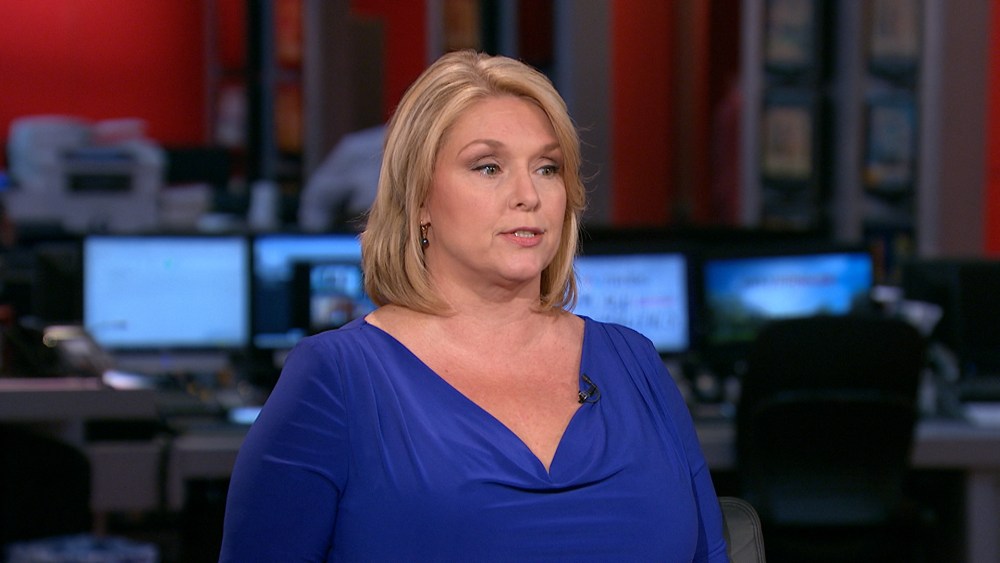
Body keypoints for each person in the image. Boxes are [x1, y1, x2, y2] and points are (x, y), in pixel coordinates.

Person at [220, 50, 729, 562]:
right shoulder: (336, 378)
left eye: (547, 168)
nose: (528, 195)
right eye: (489, 167)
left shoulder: (633, 362)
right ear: (420, 198)